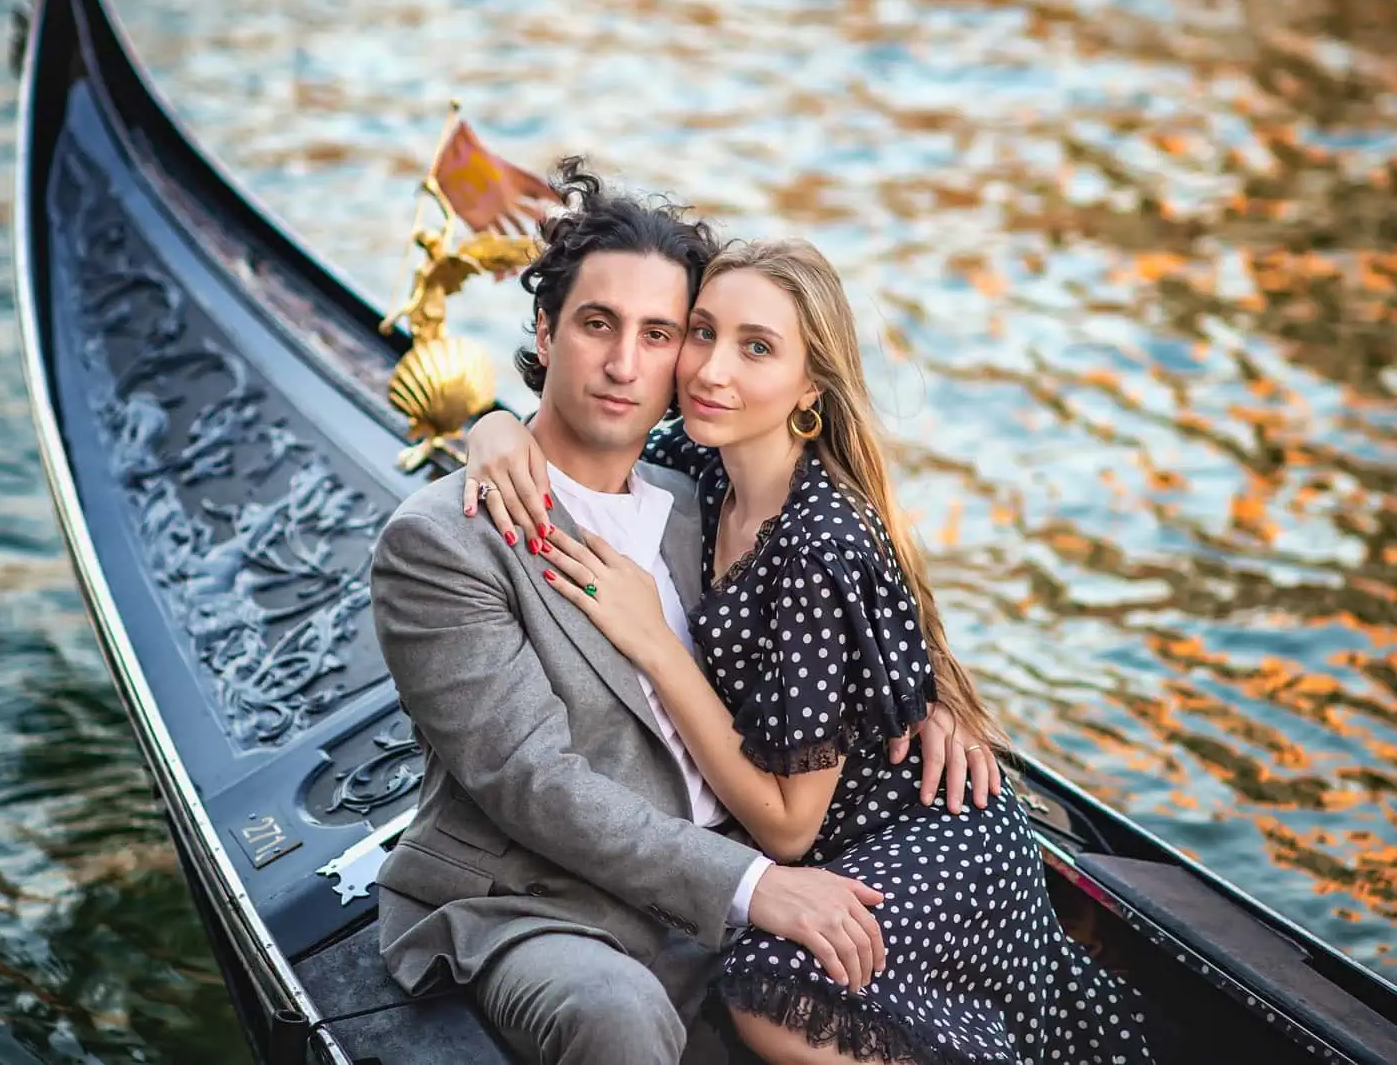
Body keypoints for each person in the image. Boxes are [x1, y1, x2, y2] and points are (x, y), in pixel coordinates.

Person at [463, 237, 1161, 1064]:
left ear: (810, 387)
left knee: (773, 992)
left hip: (921, 837)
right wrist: (492, 424)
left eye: (756, 348)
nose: (709, 370)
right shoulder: (703, 461)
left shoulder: (814, 546)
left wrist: (656, 642)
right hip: (844, 830)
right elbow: (581, 431)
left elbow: (791, 831)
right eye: (702, 333)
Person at [367, 161, 1002, 1065]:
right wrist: (754, 886)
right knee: (614, 1015)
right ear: (544, 334)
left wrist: (924, 698)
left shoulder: (702, 487)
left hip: (747, 876)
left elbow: (822, 604)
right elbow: (530, 781)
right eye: (596, 325)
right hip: (543, 905)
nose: (627, 363)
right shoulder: (443, 540)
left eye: (659, 333)